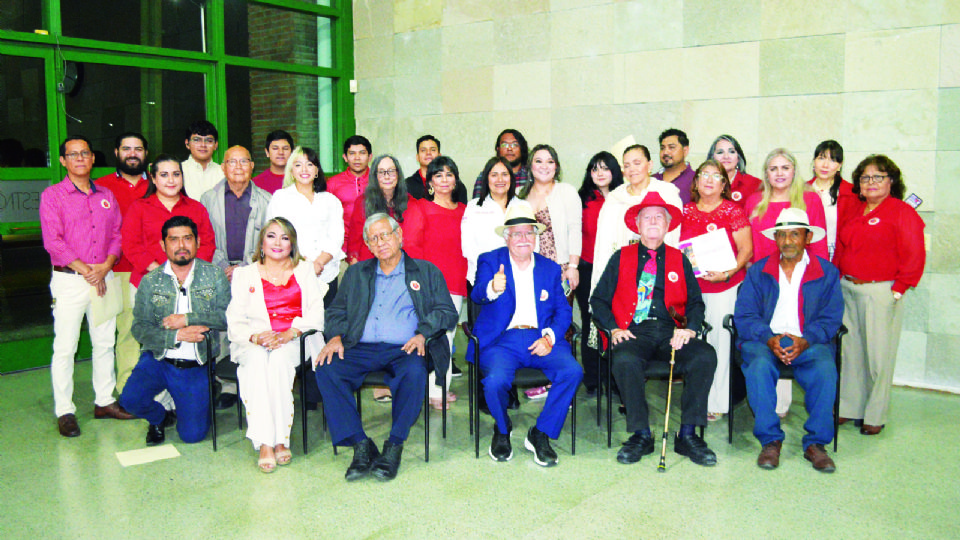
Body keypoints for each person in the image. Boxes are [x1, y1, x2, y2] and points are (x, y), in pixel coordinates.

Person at [314, 213, 458, 482]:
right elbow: (336, 311)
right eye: (373, 239)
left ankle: (394, 444)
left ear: (399, 235)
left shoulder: (426, 272)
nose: (380, 242)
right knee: (327, 368)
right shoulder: (356, 273)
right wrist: (334, 337)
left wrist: (423, 334)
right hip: (360, 345)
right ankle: (361, 444)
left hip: (405, 348)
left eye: (385, 235)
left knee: (415, 372)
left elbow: (445, 311)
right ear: (368, 245)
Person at [590, 192, 718, 467]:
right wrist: (612, 329)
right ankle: (641, 433)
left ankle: (688, 434)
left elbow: (696, 302)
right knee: (624, 359)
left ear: (668, 224)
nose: (652, 221)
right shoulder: (620, 257)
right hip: (634, 331)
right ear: (637, 224)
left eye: (659, 216)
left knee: (705, 355)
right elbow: (598, 300)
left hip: (672, 332)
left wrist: (691, 329)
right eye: (646, 216)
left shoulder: (680, 259)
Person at [468, 204, 583, 466]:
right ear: (507, 237)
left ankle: (540, 433)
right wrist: (492, 288)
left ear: (536, 237)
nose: (523, 239)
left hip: (540, 337)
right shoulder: (489, 259)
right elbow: (477, 295)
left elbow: (563, 312)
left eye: (528, 233)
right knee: (495, 380)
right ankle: (502, 427)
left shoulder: (550, 268)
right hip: (502, 341)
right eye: (516, 234)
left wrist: (550, 338)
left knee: (572, 372)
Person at [734, 208, 842, 472]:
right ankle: (770, 440)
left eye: (795, 234)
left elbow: (831, 318)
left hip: (808, 341)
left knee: (825, 369)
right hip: (765, 340)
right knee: (758, 366)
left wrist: (806, 340)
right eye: (781, 235)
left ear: (807, 237)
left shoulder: (825, 272)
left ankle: (816, 444)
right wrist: (769, 338)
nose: (788, 241)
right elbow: (745, 315)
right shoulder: (760, 271)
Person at [40, 135, 133, 437]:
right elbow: (53, 242)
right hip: (70, 281)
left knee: (104, 342)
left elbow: (117, 235)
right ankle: (65, 410)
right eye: (73, 154)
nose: (80, 158)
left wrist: (106, 266)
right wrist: (86, 271)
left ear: (93, 159)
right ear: (64, 161)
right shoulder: (53, 196)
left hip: (102, 277)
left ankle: (104, 401)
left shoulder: (106, 194)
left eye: (85, 153)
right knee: (65, 347)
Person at [834, 155, 925, 436]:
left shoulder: (901, 212)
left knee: (878, 355)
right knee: (850, 353)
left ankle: (875, 414)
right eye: (865, 178)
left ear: (891, 181)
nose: (871, 182)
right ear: (858, 185)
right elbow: (841, 249)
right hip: (848, 288)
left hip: (881, 292)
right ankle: (850, 408)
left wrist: (899, 289)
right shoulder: (854, 211)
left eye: (878, 177)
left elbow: (914, 253)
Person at [119, 216, 230, 446]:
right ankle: (159, 417)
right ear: (163, 245)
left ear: (198, 242)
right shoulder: (150, 281)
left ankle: (205, 392)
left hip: (195, 365)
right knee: (129, 400)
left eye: (188, 239)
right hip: (158, 359)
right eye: (174, 240)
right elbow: (139, 328)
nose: (181, 246)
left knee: (192, 436)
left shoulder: (214, 275)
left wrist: (187, 319)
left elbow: (227, 317)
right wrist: (177, 335)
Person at [226, 217, 326, 472]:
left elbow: (316, 313)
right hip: (254, 338)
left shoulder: (304, 270)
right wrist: (256, 337)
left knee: (280, 363)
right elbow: (234, 320)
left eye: (284, 237)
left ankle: (281, 439)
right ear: (262, 242)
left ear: (292, 244)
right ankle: (264, 443)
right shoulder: (243, 274)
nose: (278, 242)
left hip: (294, 338)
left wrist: (291, 332)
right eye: (271, 236)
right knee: (257, 364)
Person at [745, 148, 828, 416]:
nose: (779, 173)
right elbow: (749, 244)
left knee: (793, 330)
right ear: (766, 173)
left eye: (785, 168)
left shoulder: (809, 200)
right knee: (768, 336)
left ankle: (782, 405)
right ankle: (771, 406)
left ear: (794, 171)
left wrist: (816, 279)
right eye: (773, 168)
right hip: (763, 281)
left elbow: (819, 245)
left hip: (799, 279)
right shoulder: (755, 201)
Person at [679, 159, 752, 422]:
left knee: (719, 344)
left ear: (724, 184)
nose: (709, 180)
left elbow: (746, 250)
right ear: (696, 181)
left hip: (724, 287)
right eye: (703, 175)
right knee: (694, 345)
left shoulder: (732, 210)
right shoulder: (684, 211)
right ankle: (696, 398)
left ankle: (717, 401)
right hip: (691, 292)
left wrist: (728, 273)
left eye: (716, 175)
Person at [403, 156, 468, 409]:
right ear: (429, 182)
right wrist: (420, 282)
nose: (444, 180)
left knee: (448, 339)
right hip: (428, 284)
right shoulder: (419, 207)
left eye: (449, 174)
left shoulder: (464, 211)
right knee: (426, 337)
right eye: (438, 175)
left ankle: (440, 386)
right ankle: (430, 390)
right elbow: (411, 247)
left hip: (456, 282)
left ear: (456, 180)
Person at [95, 132, 151, 393]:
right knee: (126, 331)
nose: (132, 153)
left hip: (154, 269)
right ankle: (128, 389)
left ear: (145, 154)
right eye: (126, 148)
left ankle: (156, 387)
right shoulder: (101, 187)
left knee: (155, 330)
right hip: (117, 270)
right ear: (116, 152)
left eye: (138, 149)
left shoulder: (158, 182)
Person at [590, 144, 682, 295]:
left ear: (650, 165)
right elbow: (604, 243)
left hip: (658, 268)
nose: (632, 169)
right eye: (627, 165)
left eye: (637, 163)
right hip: (622, 272)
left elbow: (674, 237)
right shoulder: (615, 198)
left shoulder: (667, 193)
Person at [265, 146, 345, 308]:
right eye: (298, 164)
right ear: (291, 171)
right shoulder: (280, 198)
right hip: (291, 273)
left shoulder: (330, 200)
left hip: (327, 273)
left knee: (326, 326)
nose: (304, 169)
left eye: (309, 164)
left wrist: (319, 263)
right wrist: (305, 264)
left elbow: (336, 237)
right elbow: (275, 237)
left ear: (316, 171)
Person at [123, 155, 217, 290]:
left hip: (190, 282)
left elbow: (207, 244)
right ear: (154, 179)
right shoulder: (139, 208)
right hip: (148, 282)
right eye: (164, 175)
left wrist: (186, 271)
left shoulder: (196, 208)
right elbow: (131, 245)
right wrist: (162, 271)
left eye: (176, 174)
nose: (171, 180)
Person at [576, 151, 623, 396]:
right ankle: (592, 377)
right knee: (590, 320)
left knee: (616, 321)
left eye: (605, 168)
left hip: (617, 270)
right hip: (587, 269)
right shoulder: (582, 199)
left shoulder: (624, 199)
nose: (600, 173)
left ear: (614, 171)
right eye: (595, 169)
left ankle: (615, 377)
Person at [200, 146, 272, 280]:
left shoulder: (266, 200)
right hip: (217, 272)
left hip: (255, 272)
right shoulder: (208, 199)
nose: (238, 166)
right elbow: (203, 238)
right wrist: (222, 266)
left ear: (252, 166)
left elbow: (270, 241)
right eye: (232, 162)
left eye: (244, 161)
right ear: (223, 167)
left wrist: (245, 266)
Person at [461, 156, 528, 287]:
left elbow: (532, 244)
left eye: (505, 174)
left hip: (519, 279)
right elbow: (468, 247)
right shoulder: (474, 207)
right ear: (486, 178)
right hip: (482, 278)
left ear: (511, 178)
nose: (500, 180)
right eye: (494, 175)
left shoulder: (523, 206)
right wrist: (489, 270)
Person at [346, 154, 417, 264]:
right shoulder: (362, 202)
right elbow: (354, 244)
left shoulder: (411, 203)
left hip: (402, 266)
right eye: (381, 172)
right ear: (374, 176)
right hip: (370, 266)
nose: (387, 176)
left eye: (391, 171)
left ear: (398, 175)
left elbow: (414, 243)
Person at [806, 140, 854, 260]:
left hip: (840, 258)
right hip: (807, 258)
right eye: (821, 158)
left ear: (840, 165)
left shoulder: (851, 193)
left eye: (832, 160)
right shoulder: (801, 191)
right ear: (814, 161)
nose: (825, 165)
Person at [327, 135, 372, 246]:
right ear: (345, 157)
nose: (357, 158)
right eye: (352, 153)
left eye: (362, 153)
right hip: (342, 246)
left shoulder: (379, 180)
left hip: (375, 245)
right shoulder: (333, 183)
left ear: (370, 157)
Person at [404, 134, 467, 202]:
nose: (428, 153)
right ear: (417, 157)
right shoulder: (407, 185)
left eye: (433, 150)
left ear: (439, 155)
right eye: (423, 150)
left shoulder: (455, 185)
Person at [707, 134, 761, 208]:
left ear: (738, 157)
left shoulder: (755, 184)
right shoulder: (703, 184)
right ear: (712, 158)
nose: (726, 157)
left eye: (731, 152)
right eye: (720, 152)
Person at [471, 129, 529, 198]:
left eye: (514, 144)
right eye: (505, 144)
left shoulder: (531, 175)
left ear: (522, 149)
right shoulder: (486, 175)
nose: (509, 149)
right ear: (498, 149)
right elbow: (478, 205)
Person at [181, 120, 222, 199]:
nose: (203, 145)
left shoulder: (223, 173)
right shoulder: (179, 171)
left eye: (209, 141)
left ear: (215, 145)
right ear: (187, 143)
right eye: (197, 140)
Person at [654, 128, 696, 205]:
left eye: (671, 147)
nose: (665, 152)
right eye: (662, 148)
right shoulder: (651, 180)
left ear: (685, 150)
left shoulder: (696, 180)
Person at [252, 130, 294, 194]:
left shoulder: (301, 179)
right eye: (275, 148)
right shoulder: (256, 183)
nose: (281, 152)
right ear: (267, 152)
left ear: (292, 152)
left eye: (285, 148)